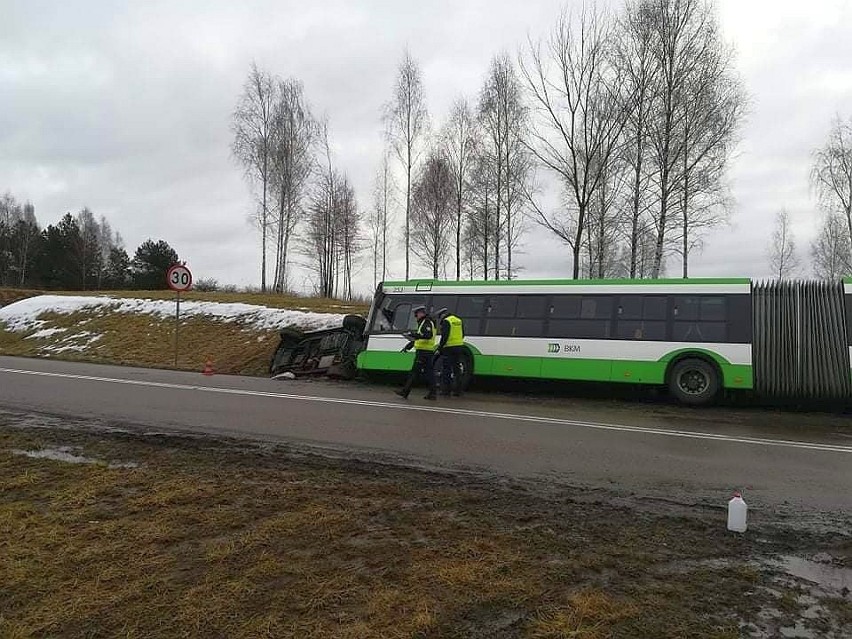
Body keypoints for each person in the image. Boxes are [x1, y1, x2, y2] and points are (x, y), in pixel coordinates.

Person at [396, 305, 438, 400]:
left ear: (421, 313)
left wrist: (413, 334)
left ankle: (405, 392)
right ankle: (433, 393)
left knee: (414, 373)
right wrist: (408, 347)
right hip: (426, 351)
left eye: (416, 314)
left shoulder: (426, 322)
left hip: (423, 352)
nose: (416, 316)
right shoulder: (425, 322)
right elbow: (418, 338)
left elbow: (427, 335)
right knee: (429, 373)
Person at [435, 307, 465, 397]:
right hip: (459, 347)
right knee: (457, 370)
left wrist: (440, 348)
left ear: (442, 315)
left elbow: (445, 336)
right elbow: (463, 334)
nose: (441, 319)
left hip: (449, 348)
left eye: (440, 317)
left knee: (446, 370)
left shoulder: (446, 321)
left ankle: (446, 391)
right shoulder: (458, 320)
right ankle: (458, 391)